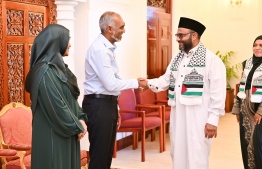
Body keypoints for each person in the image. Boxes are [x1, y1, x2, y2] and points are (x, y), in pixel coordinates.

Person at [143, 17, 226, 169]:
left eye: (181, 35)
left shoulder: (211, 60)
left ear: (194, 35)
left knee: (197, 156)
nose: (178, 39)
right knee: (178, 153)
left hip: (199, 117)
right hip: (178, 115)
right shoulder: (177, 58)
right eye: (177, 35)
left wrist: (213, 120)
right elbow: (166, 79)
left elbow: (218, 93)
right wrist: (148, 83)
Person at [82, 11, 147, 169]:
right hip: (98, 106)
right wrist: (135, 83)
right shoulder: (100, 50)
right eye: (121, 27)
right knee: (99, 156)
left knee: (106, 156)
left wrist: (116, 106)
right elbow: (110, 84)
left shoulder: (107, 49)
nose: (124, 30)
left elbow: (113, 81)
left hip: (106, 104)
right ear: (110, 29)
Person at [25, 24, 87, 169]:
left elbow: (71, 98)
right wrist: (78, 126)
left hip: (67, 132)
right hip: (53, 135)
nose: (69, 44)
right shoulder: (45, 72)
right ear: (56, 41)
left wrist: (81, 118)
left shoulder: (60, 69)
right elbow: (57, 106)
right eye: (67, 39)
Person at [232, 35, 262, 169]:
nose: (257, 48)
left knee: (257, 143)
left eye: (261, 46)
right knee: (246, 142)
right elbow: (241, 86)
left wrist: (261, 111)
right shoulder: (247, 63)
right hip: (245, 106)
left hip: (258, 108)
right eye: (255, 45)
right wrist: (237, 108)